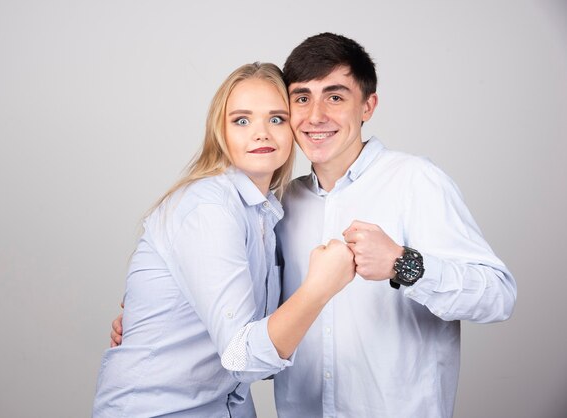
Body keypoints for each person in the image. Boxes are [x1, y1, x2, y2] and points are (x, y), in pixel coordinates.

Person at [111, 34, 517, 418]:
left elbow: (498, 296)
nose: (317, 116)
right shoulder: (280, 206)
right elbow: (259, 331)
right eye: (302, 98)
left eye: (335, 97)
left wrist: (403, 264)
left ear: (368, 106)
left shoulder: (415, 181)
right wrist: (169, 320)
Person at [93, 62, 356, 418]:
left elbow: (257, 343)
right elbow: (242, 357)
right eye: (242, 120)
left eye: (276, 119)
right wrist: (319, 287)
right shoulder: (209, 207)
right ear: (220, 131)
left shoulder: (267, 212)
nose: (261, 133)